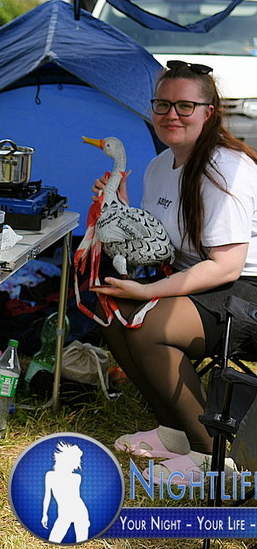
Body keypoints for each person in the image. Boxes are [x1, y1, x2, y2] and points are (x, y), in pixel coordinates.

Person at [91, 60, 257, 484]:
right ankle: (174, 432)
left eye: (185, 106)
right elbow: (161, 244)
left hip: (245, 288)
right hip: (199, 281)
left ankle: (210, 457)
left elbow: (227, 265)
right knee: (111, 310)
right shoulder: (159, 166)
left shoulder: (225, 169)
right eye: (162, 104)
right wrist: (121, 208)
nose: (171, 115)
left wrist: (151, 293)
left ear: (209, 112)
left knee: (151, 326)